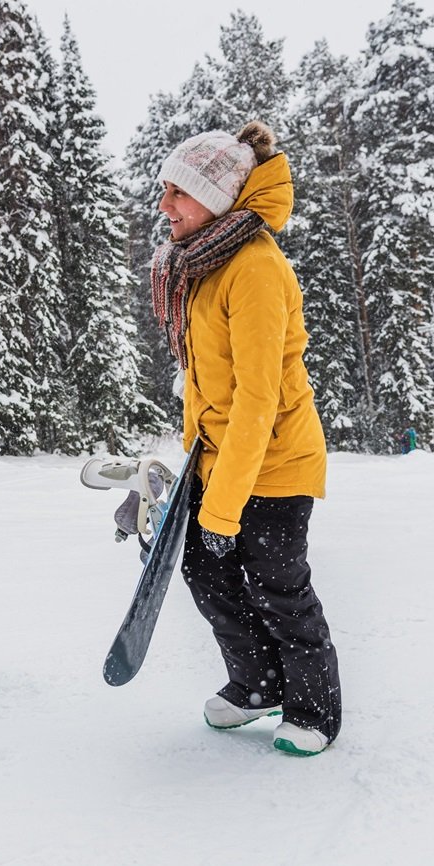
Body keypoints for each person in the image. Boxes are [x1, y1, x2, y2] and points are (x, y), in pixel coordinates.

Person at [151, 121, 341, 756]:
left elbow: (258, 398)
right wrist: (193, 474)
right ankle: (258, 684)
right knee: (207, 572)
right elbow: (206, 384)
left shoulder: (254, 267)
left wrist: (224, 508)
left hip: (278, 462)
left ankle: (314, 710)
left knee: (278, 586)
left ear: (215, 197)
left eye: (178, 192)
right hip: (224, 460)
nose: (165, 206)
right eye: (163, 192)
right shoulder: (206, 267)